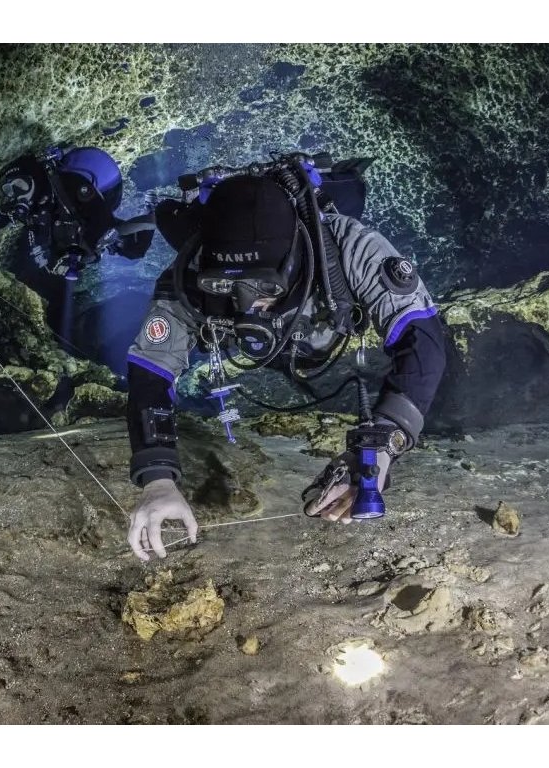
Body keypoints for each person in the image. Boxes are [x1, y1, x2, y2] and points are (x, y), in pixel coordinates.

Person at [123, 154, 447, 561]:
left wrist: (382, 446)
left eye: (264, 286)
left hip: (318, 338)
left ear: (293, 260)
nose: (247, 306)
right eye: (224, 287)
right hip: (253, 346)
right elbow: (151, 370)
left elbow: (422, 338)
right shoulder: (187, 274)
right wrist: (157, 480)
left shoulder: (351, 247)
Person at [0, 146, 155, 281]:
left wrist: (92, 247)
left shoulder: (67, 185)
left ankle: (155, 212)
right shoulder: (26, 211)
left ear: (34, 179)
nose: (16, 195)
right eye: (10, 191)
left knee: (134, 249)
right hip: (77, 235)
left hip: (95, 214)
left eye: (20, 184)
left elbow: (105, 224)